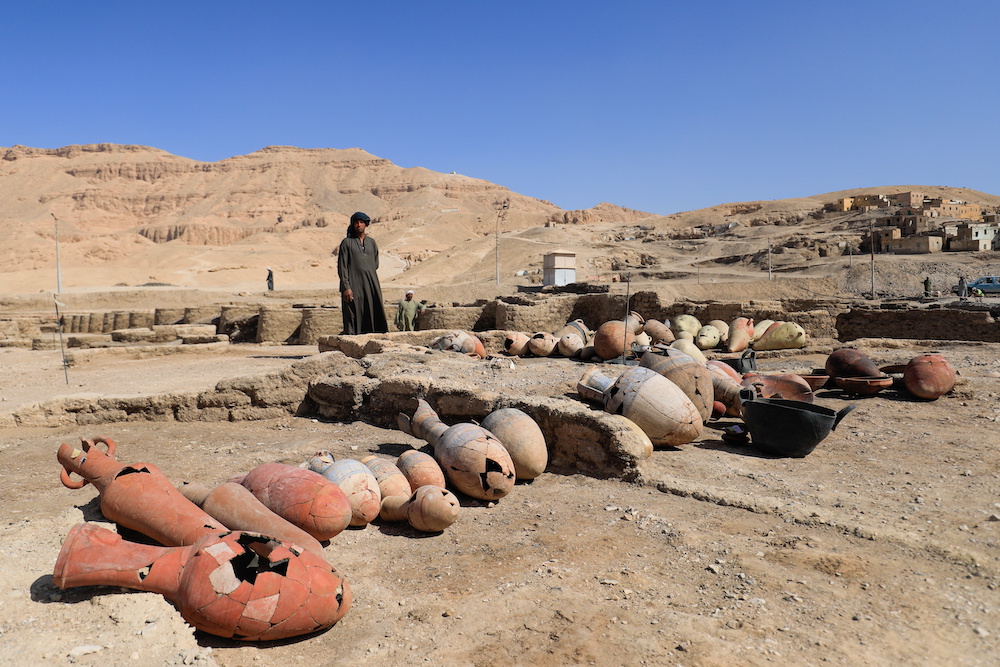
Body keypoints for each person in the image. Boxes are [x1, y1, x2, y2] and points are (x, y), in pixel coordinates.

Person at [337, 211, 388, 334]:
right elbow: (342, 267)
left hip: (371, 283)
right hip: (353, 284)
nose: (359, 225)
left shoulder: (371, 242)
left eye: (361, 222)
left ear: (366, 225)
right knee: (353, 313)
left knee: (373, 309)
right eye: (356, 222)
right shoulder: (347, 243)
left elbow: (375, 264)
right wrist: (346, 287)